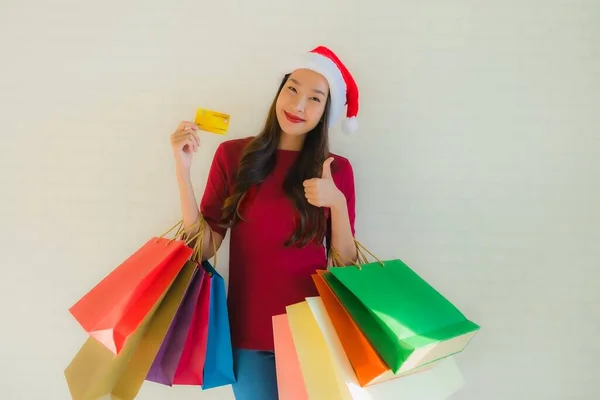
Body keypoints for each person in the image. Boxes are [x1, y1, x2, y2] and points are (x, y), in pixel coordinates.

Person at [170, 45, 361, 400]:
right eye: (292, 89)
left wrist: (336, 202)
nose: (299, 105)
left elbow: (345, 264)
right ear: (279, 92)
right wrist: (183, 174)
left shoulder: (338, 170)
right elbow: (204, 248)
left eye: (315, 98)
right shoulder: (233, 155)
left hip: (314, 333)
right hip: (247, 334)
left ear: (326, 112)